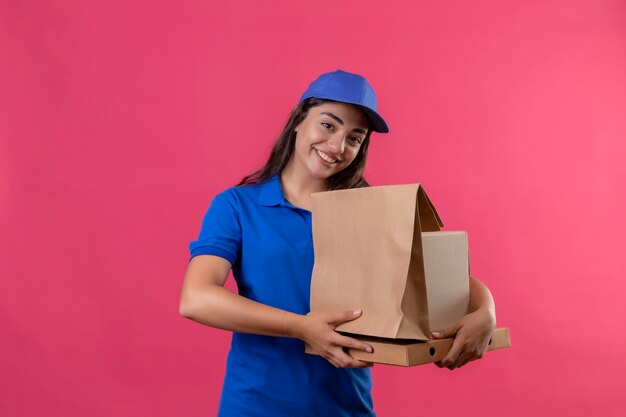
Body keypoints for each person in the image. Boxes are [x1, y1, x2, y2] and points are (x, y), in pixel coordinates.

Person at [179, 69, 497, 417]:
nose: (337, 146)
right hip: (256, 405)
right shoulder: (237, 206)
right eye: (328, 125)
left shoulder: (371, 210)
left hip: (346, 408)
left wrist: (487, 311)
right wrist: (299, 326)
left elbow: (442, 281)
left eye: (354, 137)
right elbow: (196, 298)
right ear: (299, 119)